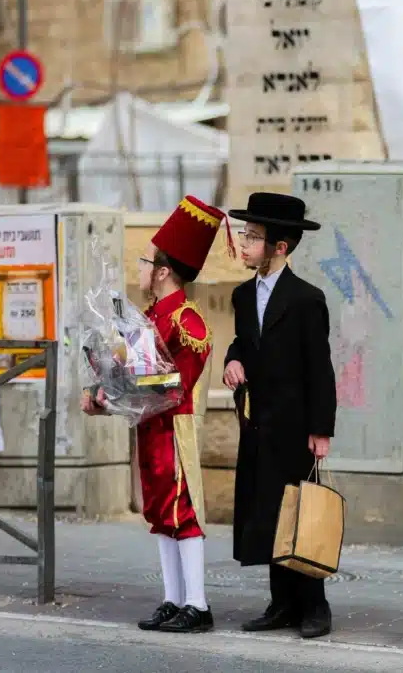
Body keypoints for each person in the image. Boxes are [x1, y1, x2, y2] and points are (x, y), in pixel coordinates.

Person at [82, 196, 231, 633]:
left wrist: (109, 400)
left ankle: (198, 604)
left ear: (163, 271)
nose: (140, 268)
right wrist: (100, 385)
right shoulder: (149, 317)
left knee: (183, 511)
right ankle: (173, 598)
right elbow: (132, 375)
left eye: (146, 261)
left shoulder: (188, 322)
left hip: (174, 429)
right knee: (159, 513)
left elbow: (168, 387)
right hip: (151, 429)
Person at [223, 192, 337, 639]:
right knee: (268, 512)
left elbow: (320, 368)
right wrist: (233, 360)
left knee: (300, 515)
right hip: (258, 424)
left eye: (253, 237)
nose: (244, 243)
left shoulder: (307, 299)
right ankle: (281, 604)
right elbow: (242, 343)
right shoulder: (241, 294)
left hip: (295, 426)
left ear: (280, 247)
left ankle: (315, 606)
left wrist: (321, 429)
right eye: (245, 234)